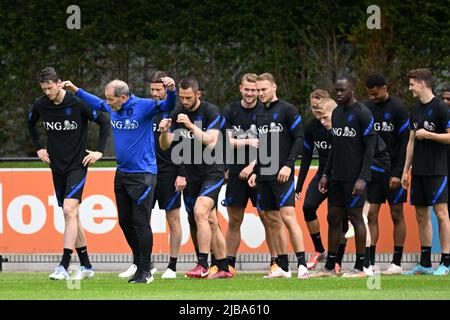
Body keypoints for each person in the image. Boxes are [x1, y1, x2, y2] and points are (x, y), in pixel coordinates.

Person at [61, 76, 176, 284]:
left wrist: (172, 89)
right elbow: (96, 103)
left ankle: (145, 271)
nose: (107, 103)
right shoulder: (114, 107)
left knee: (141, 222)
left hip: (143, 174)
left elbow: (169, 104)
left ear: (123, 97)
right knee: (125, 222)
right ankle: (142, 263)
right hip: (122, 173)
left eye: (110, 99)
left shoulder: (145, 106)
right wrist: (76, 90)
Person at [28, 67, 110, 280]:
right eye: (44, 89)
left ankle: (63, 265)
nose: (47, 92)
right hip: (57, 166)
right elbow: (30, 124)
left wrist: (99, 151)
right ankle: (87, 266)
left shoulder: (76, 103)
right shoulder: (41, 105)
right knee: (72, 214)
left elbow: (104, 121)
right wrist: (39, 147)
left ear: (59, 82)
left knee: (69, 209)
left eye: (50, 87)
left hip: (77, 164)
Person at [159, 77, 232, 279]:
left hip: (213, 171)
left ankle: (202, 264)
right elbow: (166, 145)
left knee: (201, 212)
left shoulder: (210, 111)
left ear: (198, 94)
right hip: (192, 175)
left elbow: (210, 140)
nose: (185, 101)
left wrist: (190, 125)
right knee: (211, 220)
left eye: (189, 97)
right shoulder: (177, 112)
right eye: (182, 97)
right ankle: (224, 268)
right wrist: (164, 131)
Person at [248, 73, 309, 279]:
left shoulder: (287, 109)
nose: (260, 93)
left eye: (263, 89)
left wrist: (288, 166)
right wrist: (256, 171)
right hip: (264, 173)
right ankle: (283, 266)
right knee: (272, 220)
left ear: (274, 87)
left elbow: (300, 138)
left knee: (289, 217)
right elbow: (261, 144)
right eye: (257, 90)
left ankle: (302, 265)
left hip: (282, 173)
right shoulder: (258, 113)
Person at [317, 75, 377, 278]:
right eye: (337, 90)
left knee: (355, 218)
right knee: (333, 217)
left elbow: (370, 149)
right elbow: (335, 147)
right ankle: (330, 266)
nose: (339, 94)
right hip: (337, 177)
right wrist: (326, 173)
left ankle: (361, 266)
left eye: (342, 90)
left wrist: (363, 178)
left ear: (352, 89)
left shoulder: (364, 114)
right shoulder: (336, 113)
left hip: (355, 178)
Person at [222, 73, 272, 276]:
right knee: (234, 220)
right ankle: (229, 264)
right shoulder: (231, 110)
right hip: (235, 172)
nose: (251, 93)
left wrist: (252, 166)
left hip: (260, 172)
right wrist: (245, 143)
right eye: (248, 89)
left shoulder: (265, 111)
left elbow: (269, 144)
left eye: (255, 90)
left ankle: (276, 262)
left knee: (267, 218)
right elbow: (222, 140)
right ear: (240, 88)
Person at [402, 68, 450, 276]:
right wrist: (406, 169)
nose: (410, 87)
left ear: (422, 83)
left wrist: (429, 135)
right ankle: (425, 262)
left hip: (437, 170)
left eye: (412, 84)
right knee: (421, 215)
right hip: (419, 171)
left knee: (441, 214)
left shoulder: (442, 108)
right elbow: (412, 140)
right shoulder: (415, 109)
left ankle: (446, 262)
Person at [363, 74, 409, 274]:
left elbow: (405, 143)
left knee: (396, 214)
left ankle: (396, 263)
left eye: (375, 93)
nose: (372, 97)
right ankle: (370, 261)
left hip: (393, 172)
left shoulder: (398, 108)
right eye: (369, 94)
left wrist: (399, 172)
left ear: (384, 87)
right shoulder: (366, 109)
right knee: (371, 214)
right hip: (372, 171)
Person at [146, 71, 185, 279]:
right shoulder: (147, 109)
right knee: (143, 219)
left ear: (165, 90)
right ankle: (145, 263)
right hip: (147, 172)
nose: (154, 93)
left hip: (170, 172)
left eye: (158, 90)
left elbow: (184, 143)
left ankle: (172, 265)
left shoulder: (175, 111)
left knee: (173, 218)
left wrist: (181, 173)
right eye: (152, 89)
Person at [295, 89, 330, 270]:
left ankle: (335, 260)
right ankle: (319, 250)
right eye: (312, 106)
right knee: (308, 207)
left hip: (341, 175)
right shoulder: (310, 126)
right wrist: (299, 185)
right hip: (321, 174)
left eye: (318, 107)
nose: (315, 110)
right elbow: (307, 156)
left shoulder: (338, 123)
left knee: (336, 216)